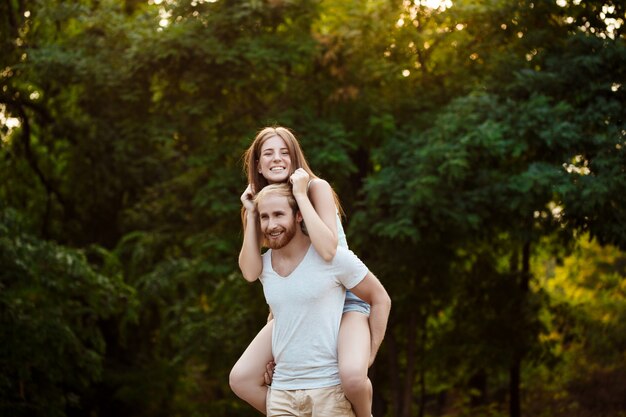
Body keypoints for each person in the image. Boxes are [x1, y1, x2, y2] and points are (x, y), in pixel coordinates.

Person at [229, 127, 377, 416]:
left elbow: (327, 250)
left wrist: (301, 193)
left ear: (295, 158)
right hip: (299, 305)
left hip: (344, 298)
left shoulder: (314, 188)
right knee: (241, 378)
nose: (277, 159)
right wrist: (249, 213)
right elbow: (253, 271)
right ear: (257, 164)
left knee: (352, 377)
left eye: (285, 152)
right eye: (268, 153)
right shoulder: (265, 202)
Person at [252, 183, 391, 416]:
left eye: (278, 214)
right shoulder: (264, 267)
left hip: (327, 392)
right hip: (281, 395)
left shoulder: (333, 258)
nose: (271, 224)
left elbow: (380, 299)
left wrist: (369, 355)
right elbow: (279, 312)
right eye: (264, 217)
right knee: (239, 378)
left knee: (354, 379)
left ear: (298, 216)